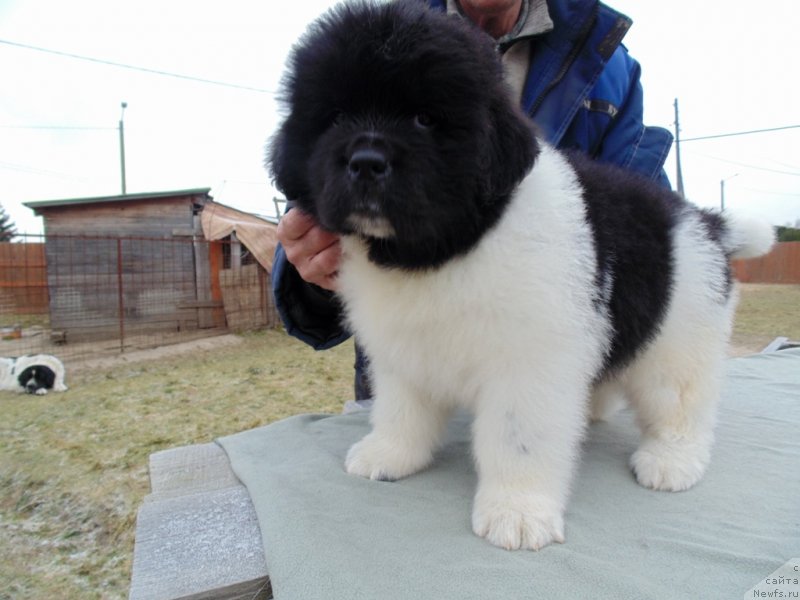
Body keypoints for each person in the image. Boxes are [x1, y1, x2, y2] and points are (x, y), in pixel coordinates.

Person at [271, 0, 674, 401]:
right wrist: (313, 264)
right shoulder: (361, 38)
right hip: (406, 375)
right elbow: (304, 181)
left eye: (423, 121)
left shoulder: (605, 61)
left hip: (541, 374)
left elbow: (645, 226)